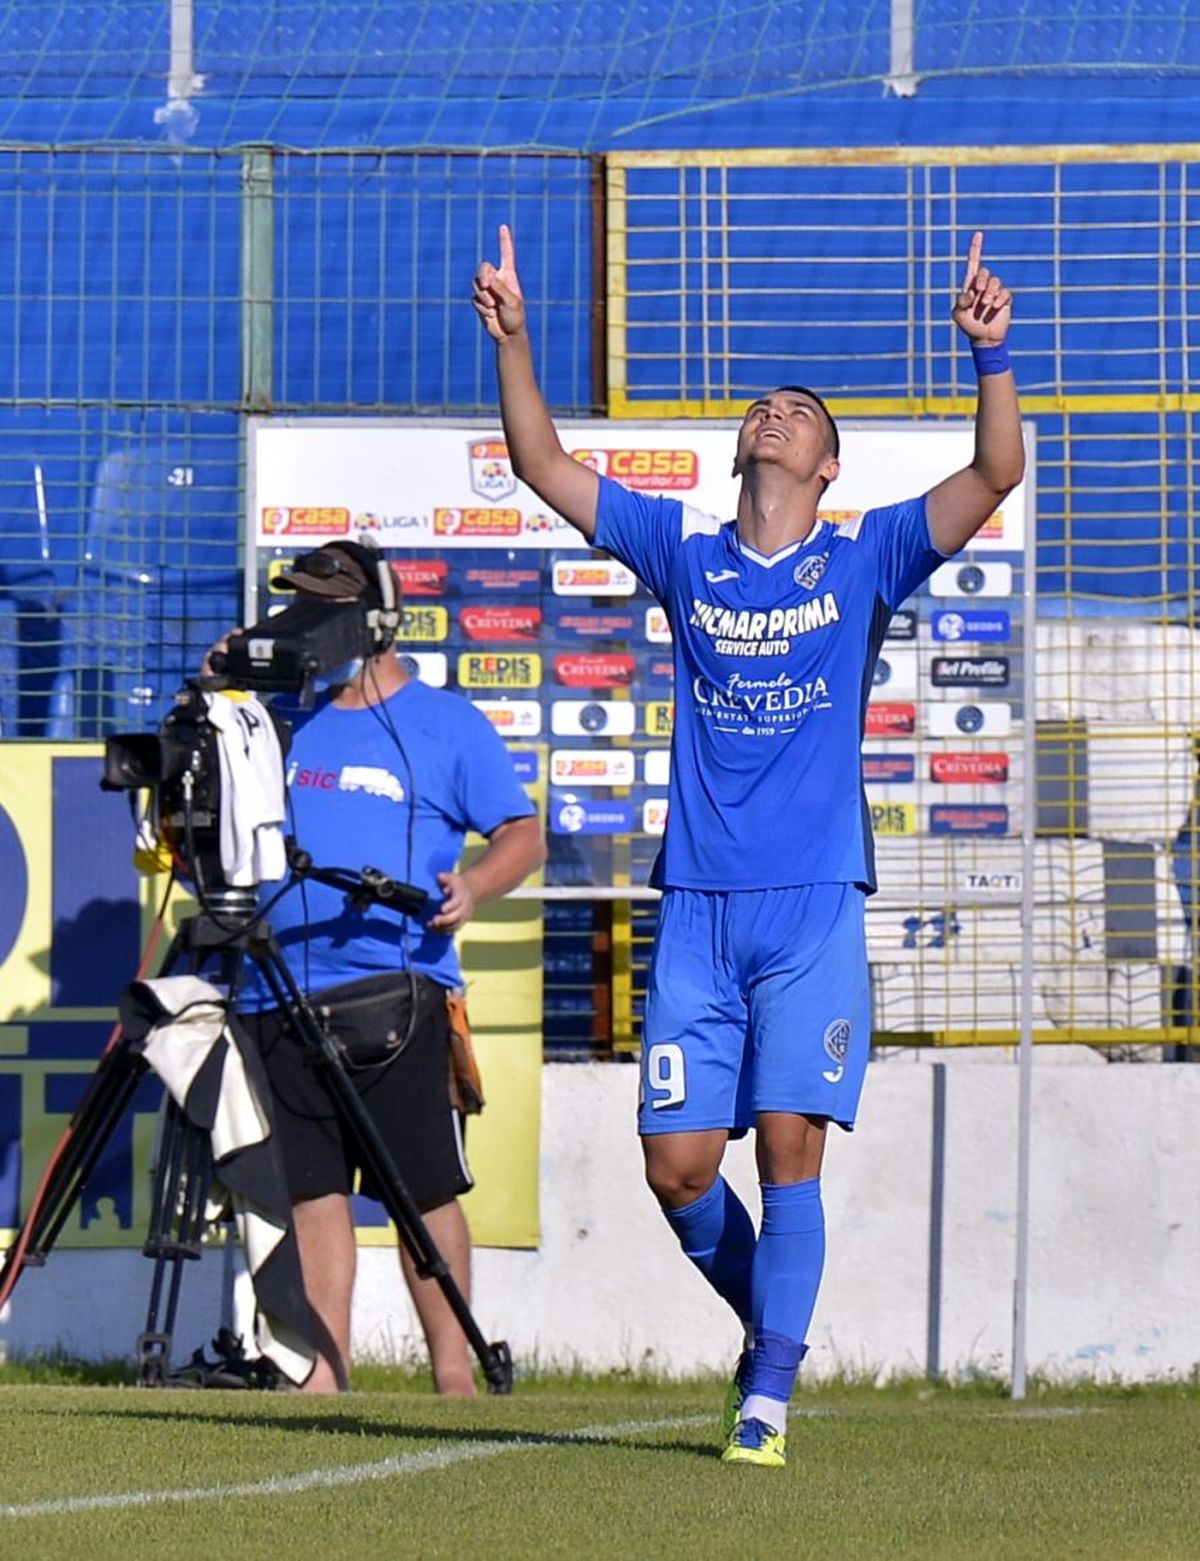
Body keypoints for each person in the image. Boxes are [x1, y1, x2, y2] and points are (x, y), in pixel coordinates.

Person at [474, 225, 1022, 1464]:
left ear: (829, 466)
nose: (774, 416)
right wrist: (515, 341)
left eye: (799, 414)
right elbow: (541, 459)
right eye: (763, 408)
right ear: (741, 452)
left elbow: (994, 473)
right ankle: (773, 1334)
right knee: (675, 1168)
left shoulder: (867, 553)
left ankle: (764, 1404)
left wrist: (994, 354)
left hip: (813, 904)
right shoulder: (685, 551)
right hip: (700, 911)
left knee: (788, 1149)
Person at [229, 539, 546, 1394]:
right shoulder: (279, 719)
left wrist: (474, 885)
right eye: (300, 604)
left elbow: (522, 832)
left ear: (376, 619)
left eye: (326, 605)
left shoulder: (446, 724)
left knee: (420, 1192)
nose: (310, 622)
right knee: (312, 1195)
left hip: (396, 993)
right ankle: (321, 1382)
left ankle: (453, 1380)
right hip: (277, 991)